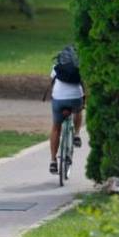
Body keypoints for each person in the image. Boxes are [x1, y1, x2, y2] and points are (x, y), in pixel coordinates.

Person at [48, 45, 86, 174]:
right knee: (79, 110)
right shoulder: (79, 66)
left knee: (56, 127)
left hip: (59, 99)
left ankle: (53, 161)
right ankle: (76, 135)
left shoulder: (56, 67)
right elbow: (84, 83)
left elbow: (52, 81)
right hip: (76, 99)